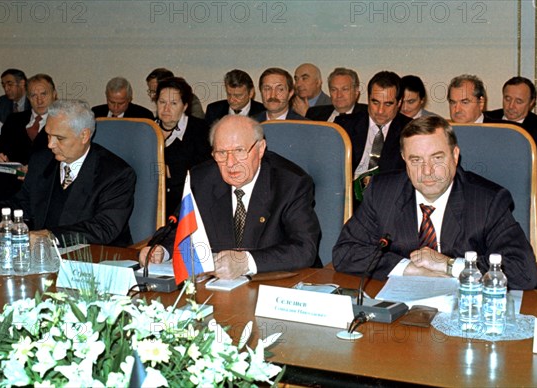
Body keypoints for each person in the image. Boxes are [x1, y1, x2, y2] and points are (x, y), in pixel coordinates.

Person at [332, 115, 537, 290]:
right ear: (404, 159)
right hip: (400, 305)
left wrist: (448, 265)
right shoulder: (382, 192)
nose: (427, 171)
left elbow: (523, 271)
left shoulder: (487, 201)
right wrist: (410, 269)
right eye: (416, 160)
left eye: (437, 158)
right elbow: (345, 252)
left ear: (454, 156)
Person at [139, 115, 321, 279]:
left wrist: (245, 262)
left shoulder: (290, 184)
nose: (230, 163)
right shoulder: (201, 180)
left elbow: (305, 248)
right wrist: (162, 250)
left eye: (240, 151)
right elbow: (179, 227)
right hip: (216, 291)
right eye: (221, 153)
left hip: (274, 285)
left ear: (260, 149)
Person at [0, 100, 136, 247]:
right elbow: (22, 203)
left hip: (97, 260)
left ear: (84, 135)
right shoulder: (42, 161)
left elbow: (104, 228)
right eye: (48, 135)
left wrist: (50, 236)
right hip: (44, 257)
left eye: (59, 138)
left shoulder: (116, 173)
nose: (50, 145)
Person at [487, 76, 537, 257]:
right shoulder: (488, 120)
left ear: (531, 103)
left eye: (519, 101)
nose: (511, 106)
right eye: (507, 98)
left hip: (525, 206)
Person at [0, 74, 58, 212]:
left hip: (43, 180)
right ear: (28, 98)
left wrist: (34, 171)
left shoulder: (61, 122)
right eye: (33, 95)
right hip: (10, 180)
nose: (39, 100)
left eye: (44, 94)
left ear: (54, 95)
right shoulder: (14, 120)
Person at [335, 70, 411, 182]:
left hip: (387, 192)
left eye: (388, 104)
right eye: (375, 102)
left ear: (399, 103)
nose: (380, 111)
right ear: (368, 99)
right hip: (348, 191)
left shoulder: (410, 130)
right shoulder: (344, 126)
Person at [155, 77, 211, 216]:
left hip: (187, 205)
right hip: (152, 203)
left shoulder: (201, 130)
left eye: (173, 103)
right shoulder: (148, 129)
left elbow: (203, 170)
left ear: (185, 106)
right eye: (162, 102)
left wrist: (168, 171)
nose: (166, 109)